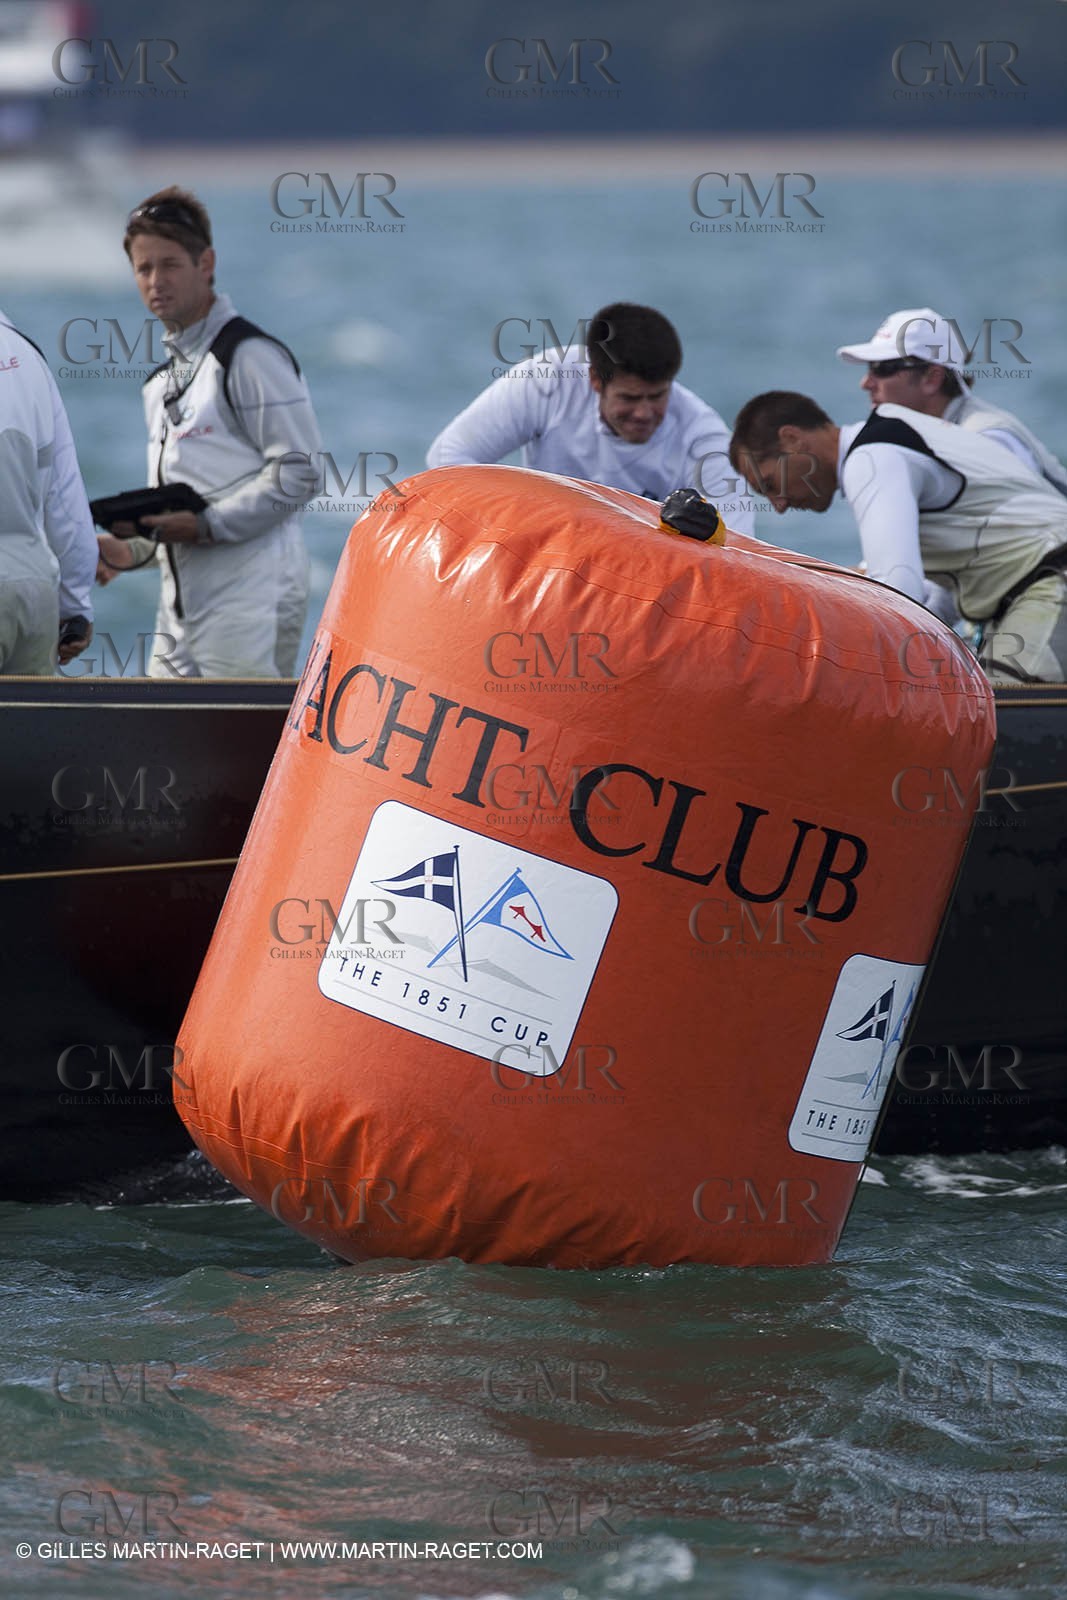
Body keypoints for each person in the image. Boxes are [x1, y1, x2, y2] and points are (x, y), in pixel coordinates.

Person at [96, 187, 322, 678]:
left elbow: (300, 473)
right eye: (144, 268)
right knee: (160, 747)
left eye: (170, 264)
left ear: (206, 262)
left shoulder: (250, 355)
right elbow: (175, 512)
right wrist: (130, 550)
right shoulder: (158, 386)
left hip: (251, 602)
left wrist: (206, 525)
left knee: (241, 753)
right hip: (178, 611)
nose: (156, 280)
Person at [728, 391, 1067, 683]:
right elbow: (932, 599)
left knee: (994, 720)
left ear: (792, 439)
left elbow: (899, 592)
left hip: (1052, 578)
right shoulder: (890, 441)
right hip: (1035, 585)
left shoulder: (872, 458)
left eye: (771, 485)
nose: (779, 506)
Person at [426, 302, 755, 531]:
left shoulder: (705, 440)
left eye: (657, 397)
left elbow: (739, 548)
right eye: (629, 398)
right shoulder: (546, 382)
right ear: (595, 380)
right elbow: (447, 458)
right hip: (546, 549)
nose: (644, 413)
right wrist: (511, 518)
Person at [836, 307, 1067, 494]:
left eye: (883, 368)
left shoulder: (988, 440)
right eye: (870, 368)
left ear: (932, 378)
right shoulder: (941, 435)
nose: (866, 383)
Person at [0, 313, 96, 674]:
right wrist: (76, 608)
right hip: (34, 592)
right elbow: (65, 495)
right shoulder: (27, 353)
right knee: (31, 731)